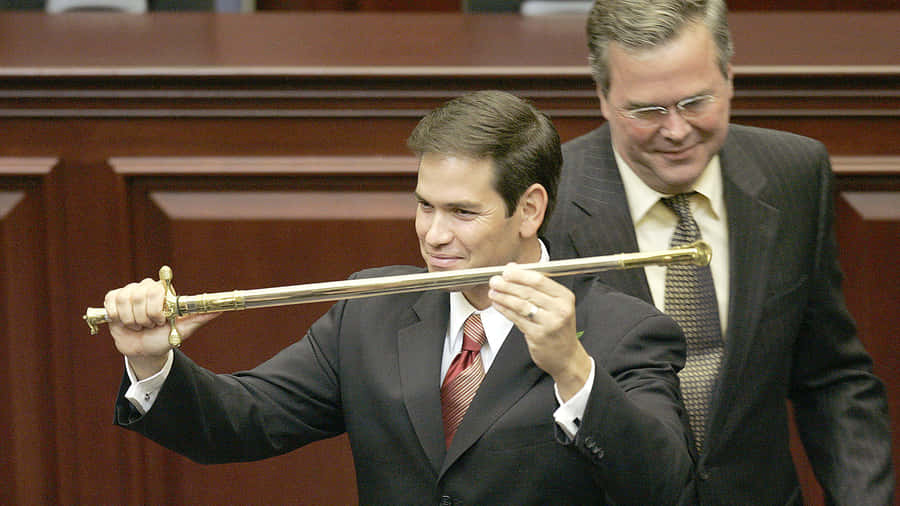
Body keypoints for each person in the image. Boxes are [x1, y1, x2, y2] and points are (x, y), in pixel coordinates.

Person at [105, 90, 695, 505]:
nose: (434, 234)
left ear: (530, 209)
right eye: (424, 204)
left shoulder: (625, 332)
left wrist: (573, 370)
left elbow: (664, 489)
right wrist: (152, 362)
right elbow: (243, 423)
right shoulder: (371, 308)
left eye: (463, 212)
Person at [544, 1, 894, 505]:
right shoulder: (546, 200)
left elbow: (831, 377)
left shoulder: (794, 173)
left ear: (730, 78)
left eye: (696, 101)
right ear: (602, 97)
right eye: (647, 110)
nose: (677, 130)